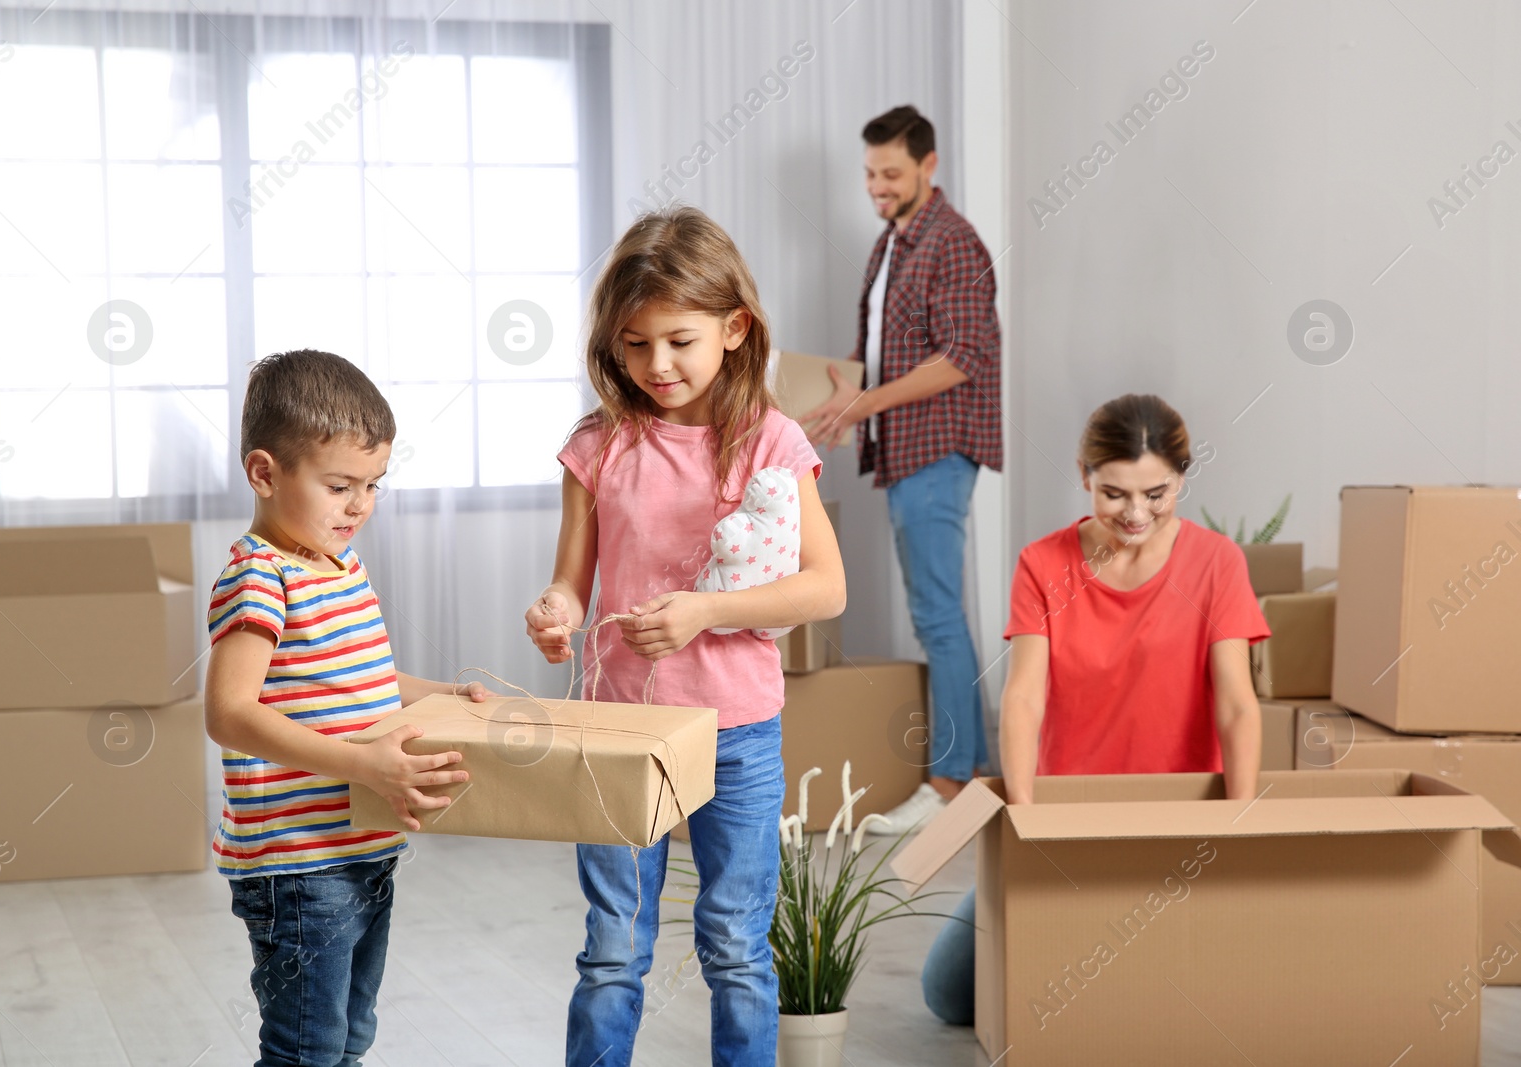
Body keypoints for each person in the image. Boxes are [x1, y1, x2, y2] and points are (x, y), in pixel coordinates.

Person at [524, 206, 846, 1067]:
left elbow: (825, 586)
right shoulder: (599, 444)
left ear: (735, 328)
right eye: (634, 344)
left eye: (679, 340)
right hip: (618, 729)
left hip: (735, 732)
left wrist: (703, 611)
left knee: (736, 948)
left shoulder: (772, 441)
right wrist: (556, 610)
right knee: (612, 950)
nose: (656, 364)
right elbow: (572, 579)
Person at [919, 393, 1268, 1024]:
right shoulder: (1043, 563)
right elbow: (1023, 695)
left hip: (1179, 816)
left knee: (1163, 985)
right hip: (1070, 813)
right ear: (1085, 475)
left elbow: (1238, 707)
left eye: (1156, 494)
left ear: (1182, 479)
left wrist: (1237, 828)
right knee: (947, 992)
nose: (1136, 513)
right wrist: (1025, 821)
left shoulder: (1218, 563)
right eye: (1114, 494)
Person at [204, 349, 490, 1066]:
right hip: (298, 863)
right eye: (339, 485)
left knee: (347, 1040)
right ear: (265, 473)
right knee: (306, 1048)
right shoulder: (259, 577)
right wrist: (362, 761)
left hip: (364, 845)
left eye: (373, 485)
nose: (360, 504)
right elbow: (229, 712)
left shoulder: (339, 564)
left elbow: (363, 679)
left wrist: (442, 693)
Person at [800, 104, 1001, 833]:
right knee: (937, 614)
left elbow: (960, 357)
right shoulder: (894, 242)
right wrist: (853, 396)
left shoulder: (954, 243)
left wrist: (865, 404)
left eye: (891, 173)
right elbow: (897, 348)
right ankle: (974, 774)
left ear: (929, 166)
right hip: (905, 444)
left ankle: (949, 783)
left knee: (938, 616)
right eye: (869, 174)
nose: (877, 186)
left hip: (939, 446)